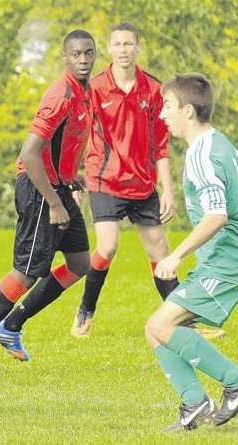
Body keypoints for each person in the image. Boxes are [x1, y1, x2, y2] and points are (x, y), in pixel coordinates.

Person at [0, 30, 96, 376]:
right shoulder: (60, 95)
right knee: (25, 273)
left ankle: (10, 325)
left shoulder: (84, 92)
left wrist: (73, 178)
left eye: (89, 53)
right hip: (40, 189)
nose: (84, 60)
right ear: (64, 57)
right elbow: (30, 153)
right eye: (76, 54)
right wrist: (54, 202)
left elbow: (67, 144)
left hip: (60, 187)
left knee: (79, 263)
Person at [146, 73, 238, 431]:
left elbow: (217, 215)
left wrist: (176, 256)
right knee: (156, 330)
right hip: (222, 262)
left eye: (168, 106)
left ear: (187, 110)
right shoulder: (218, 143)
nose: (162, 114)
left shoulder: (202, 157)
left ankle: (235, 380)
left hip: (226, 265)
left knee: (160, 324)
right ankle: (194, 403)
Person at [71, 22, 187, 337]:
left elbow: (161, 146)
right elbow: (78, 137)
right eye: (117, 44)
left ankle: (179, 319)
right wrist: (73, 181)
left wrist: (168, 191)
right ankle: (86, 309)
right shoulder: (93, 88)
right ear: (110, 49)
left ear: (138, 47)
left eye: (128, 44)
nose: (123, 50)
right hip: (104, 181)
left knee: (161, 251)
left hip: (142, 184)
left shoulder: (154, 89)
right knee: (107, 247)